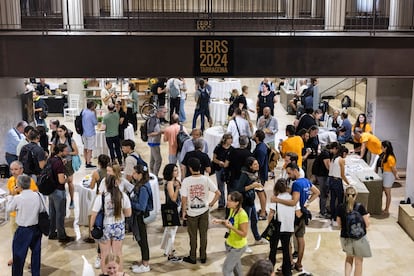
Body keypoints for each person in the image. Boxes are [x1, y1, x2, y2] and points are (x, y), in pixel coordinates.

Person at [274, 163, 320, 272]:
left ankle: (289, 262)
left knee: (287, 240)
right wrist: (307, 202)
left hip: (294, 216)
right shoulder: (306, 181)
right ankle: (299, 264)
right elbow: (317, 192)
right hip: (303, 214)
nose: (289, 176)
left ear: (295, 170)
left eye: (290, 173)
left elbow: (294, 201)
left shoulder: (296, 184)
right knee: (300, 238)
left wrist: (277, 200)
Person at [181, 157, 220, 264]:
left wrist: (183, 211)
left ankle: (192, 257)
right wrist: (211, 204)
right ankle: (203, 256)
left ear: (190, 168)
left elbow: (184, 199)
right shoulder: (206, 179)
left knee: (193, 236)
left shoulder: (186, 181)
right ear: (200, 167)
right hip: (204, 211)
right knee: (204, 235)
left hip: (191, 213)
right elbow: (218, 193)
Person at [90, 175, 132, 275]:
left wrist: (91, 228)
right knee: (118, 253)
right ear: (117, 183)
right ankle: (119, 273)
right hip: (119, 226)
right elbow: (128, 213)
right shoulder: (123, 196)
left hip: (105, 226)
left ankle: (106, 274)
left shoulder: (101, 197)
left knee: (105, 253)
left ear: (106, 184)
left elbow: (94, 214)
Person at [7, 175, 45, 276]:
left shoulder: (18, 198)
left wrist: (11, 195)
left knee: (18, 256)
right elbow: (42, 210)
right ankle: (36, 274)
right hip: (37, 228)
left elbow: (9, 209)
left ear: (19, 186)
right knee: (36, 254)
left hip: (23, 230)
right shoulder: (38, 195)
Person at [6, 161, 38, 266]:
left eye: (16, 169)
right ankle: (15, 257)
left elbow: (34, 195)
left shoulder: (28, 181)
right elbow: (10, 194)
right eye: (12, 169)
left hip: (26, 217)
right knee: (15, 239)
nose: (13, 172)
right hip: (14, 215)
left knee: (28, 241)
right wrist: (12, 193)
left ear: (21, 169)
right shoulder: (10, 181)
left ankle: (29, 260)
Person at [337, 186, 372, 276]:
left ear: (345, 195)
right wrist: (367, 217)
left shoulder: (341, 207)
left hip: (345, 237)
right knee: (358, 261)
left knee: (349, 258)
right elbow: (367, 224)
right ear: (356, 195)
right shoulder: (360, 207)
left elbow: (339, 224)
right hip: (359, 238)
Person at [212, 191, 248, 276]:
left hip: (238, 247)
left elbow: (244, 234)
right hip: (230, 243)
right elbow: (229, 222)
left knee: (226, 270)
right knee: (237, 269)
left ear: (236, 203)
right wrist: (220, 221)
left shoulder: (242, 215)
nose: (227, 202)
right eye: (227, 200)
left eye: (229, 200)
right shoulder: (232, 210)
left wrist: (231, 227)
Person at [238, 157, 268, 254]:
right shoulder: (244, 175)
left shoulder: (254, 173)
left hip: (251, 200)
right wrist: (252, 186)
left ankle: (257, 238)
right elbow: (239, 189)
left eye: (257, 163)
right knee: (244, 224)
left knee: (254, 220)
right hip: (245, 202)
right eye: (255, 164)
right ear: (250, 166)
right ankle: (243, 244)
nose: (257, 165)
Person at [268, 178, 297, 275]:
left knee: (273, 250)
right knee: (286, 250)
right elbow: (298, 212)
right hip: (288, 227)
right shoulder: (292, 198)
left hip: (277, 227)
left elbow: (271, 213)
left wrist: (269, 225)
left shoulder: (275, 198)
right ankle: (287, 271)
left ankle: (270, 271)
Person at [48, 143, 76, 243]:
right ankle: (62, 236)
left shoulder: (51, 159)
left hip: (51, 190)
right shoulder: (58, 163)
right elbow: (60, 180)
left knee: (52, 213)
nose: (67, 152)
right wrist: (67, 179)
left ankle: (51, 233)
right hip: (58, 191)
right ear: (60, 152)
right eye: (65, 151)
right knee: (60, 214)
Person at [130, 164, 153, 274]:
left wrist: (130, 203)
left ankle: (145, 264)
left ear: (140, 174)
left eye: (134, 173)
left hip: (140, 217)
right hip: (137, 216)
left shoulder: (143, 188)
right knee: (141, 239)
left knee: (142, 239)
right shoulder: (140, 184)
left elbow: (141, 206)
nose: (132, 174)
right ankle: (144, 260)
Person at [51, 124, 79, 209]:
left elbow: (76, 152)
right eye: (58, 131)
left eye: (61, 131)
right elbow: (52, 152)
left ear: (65, 131)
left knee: (70, 181)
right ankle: (60, 199)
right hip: (58, 163)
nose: (59, 133)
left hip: (69, 163)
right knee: (58, 181)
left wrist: (67, 153)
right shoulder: (55, 141)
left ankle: (72, 200)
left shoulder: (70, 140)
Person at [160, 164, 182, 263]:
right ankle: (170, 253)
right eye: (175, 170)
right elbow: (173, 198)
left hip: (175, 207)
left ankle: (167, 250)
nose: (177, 172)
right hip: (172, 209)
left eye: (177, 170)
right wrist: (177, 188)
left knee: (169, 231)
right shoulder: (170, 183)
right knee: (171, 232)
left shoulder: (174, 181)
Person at [328, 142, 350, 226]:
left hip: (331, 180)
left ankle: (332, 216)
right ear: (344, 153)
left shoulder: (334, 158)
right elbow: (342, 175)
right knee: (340, 201)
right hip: (337, 181)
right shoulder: (341, 160)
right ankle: (338, 217)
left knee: (332, 200)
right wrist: (348, 183)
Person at [212, 133, 233, 209]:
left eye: (231, 138)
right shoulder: (218, 148)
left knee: (229, 187)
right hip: (219, 169)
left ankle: (229, 202)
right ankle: (221, 203)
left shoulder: (232, 149)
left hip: (228, 170)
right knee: (220, 186)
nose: (230, 140)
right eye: (229, 139)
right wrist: (219, 162)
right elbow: (214, 158)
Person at [379, 140, 399, 215]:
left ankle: (387, 209)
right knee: (384, 191)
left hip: (389, 175)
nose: (381, 148)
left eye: (382, 147)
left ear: (386, 148)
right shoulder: (385, 155)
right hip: (385, 173)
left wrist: (396, 175)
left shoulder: (390, 157)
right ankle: (384, 208)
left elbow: (393, 169)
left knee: (388, 193)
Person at [252, 130, 268, 220]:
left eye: (254, 134)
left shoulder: (260, 149)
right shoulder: (261, 146)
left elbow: (260, 164)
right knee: (262, 192)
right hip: (261, 174)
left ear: (257, 137)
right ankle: (263, 209)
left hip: (259, 175)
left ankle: (262, 213)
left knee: (260, 192)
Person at [147, 107, 166, 179]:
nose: (165, 114)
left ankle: (152, 175)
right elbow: (149, 133)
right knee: (158, 160)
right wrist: (160, 132)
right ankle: (155, 176)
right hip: (153, 142)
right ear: (159, 112)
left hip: (155, 142)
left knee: (153, 160)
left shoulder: (157, 119)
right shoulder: (153, 120)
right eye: (164, 112)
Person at [82, 100, 98, 168]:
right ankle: (88, 163)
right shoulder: (91, 114)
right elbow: (95, 122)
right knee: (90, 149)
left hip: (83, 132)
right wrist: (95, 114)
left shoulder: (83, 111)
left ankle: (86, 160)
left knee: (85, 148)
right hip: (90, 133)